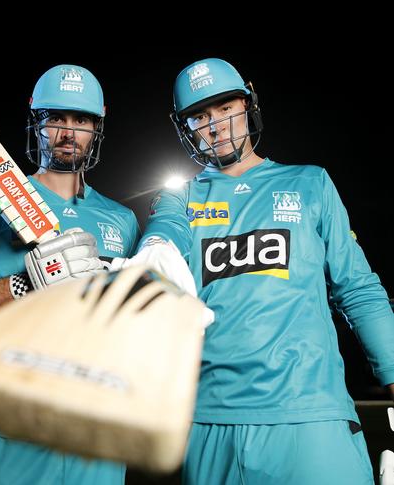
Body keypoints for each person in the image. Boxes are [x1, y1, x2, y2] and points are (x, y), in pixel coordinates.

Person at [138, 58, 394, 484]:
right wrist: (155, 247)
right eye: (199, 116)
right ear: (185, 127)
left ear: (247, 103)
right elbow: (164, 231)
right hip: (210, 423)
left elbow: (359, 291)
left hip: (310, 417)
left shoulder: (310, 184)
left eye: (224, 108)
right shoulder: (179, 197)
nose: (215, 125)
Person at [0, 64, 139, 485]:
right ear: (36, 125)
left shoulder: (123, 219)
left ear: (97, 128)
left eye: (82, 121)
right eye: (54, 118)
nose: (68, 132)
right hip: (10, 440)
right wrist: (27, 283)